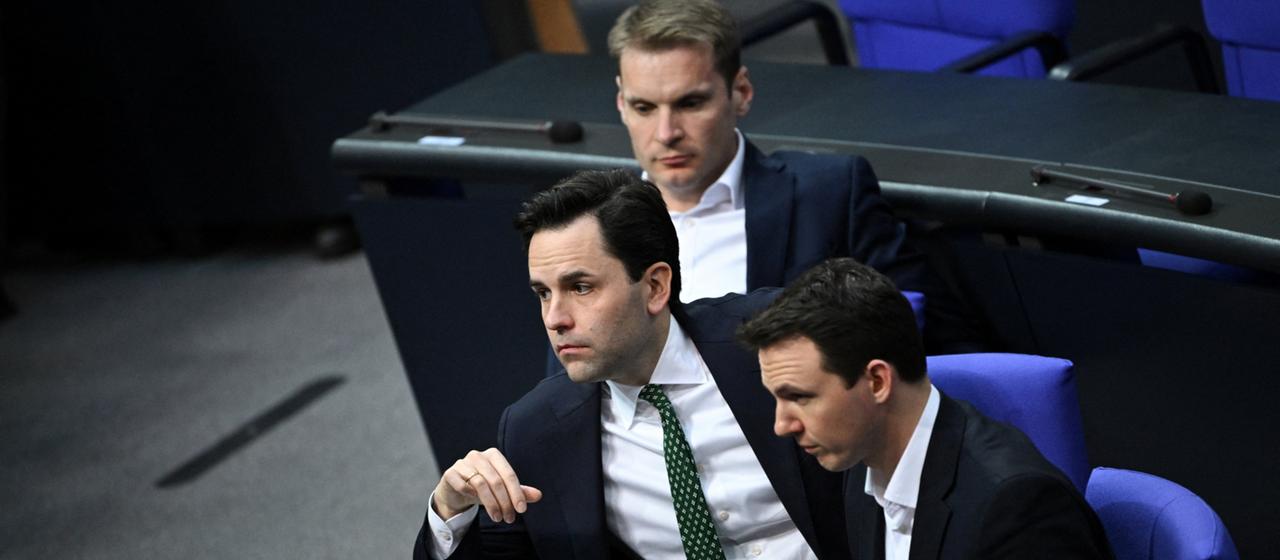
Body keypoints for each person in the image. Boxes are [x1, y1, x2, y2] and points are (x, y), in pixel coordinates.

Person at [413, 169, 850, 559]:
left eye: (580, 287)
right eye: (543, 293)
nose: (555, 318)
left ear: (655, 286)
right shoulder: (536, 431)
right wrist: (450, 508)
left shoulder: (778, 338)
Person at [607, 0, 981, 353]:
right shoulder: (596, 219)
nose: (666, 133)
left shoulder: (828, 195)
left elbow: (923, 331)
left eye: (690, 103)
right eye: (644, 107)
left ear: (741, 92)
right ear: (622, 104)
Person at [738, 258, 1114, 559]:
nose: (781, 425)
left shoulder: (1017, 507)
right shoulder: (860, 464)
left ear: (877, 381)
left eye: (800, 398)